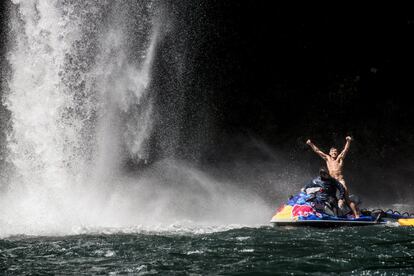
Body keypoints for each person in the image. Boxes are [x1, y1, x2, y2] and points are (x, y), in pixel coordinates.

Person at [306, 136, 360, 218]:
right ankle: (332, 213)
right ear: (330, 153)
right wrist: (310, 144)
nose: (334, 153)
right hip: (332, 182)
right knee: (330, 197)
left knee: (346, 199)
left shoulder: (339, 158)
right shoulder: (327, 158)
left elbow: (345, 150)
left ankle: (356, 215)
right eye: (332, 151)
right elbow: (317, 151)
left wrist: (348, 141)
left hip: (340, 180)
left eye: (335, 152)